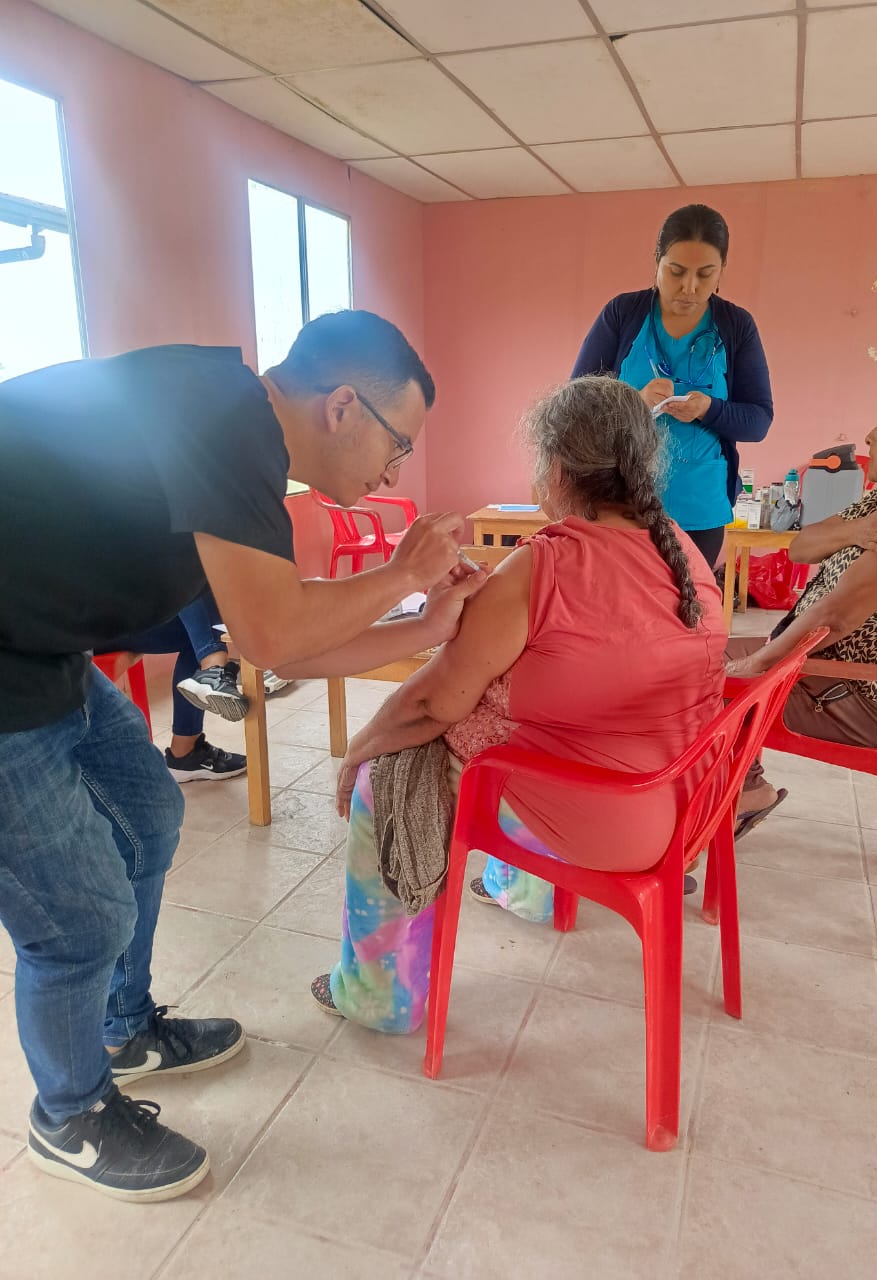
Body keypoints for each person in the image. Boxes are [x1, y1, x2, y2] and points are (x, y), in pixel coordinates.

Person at [0, 309, 486, 1201]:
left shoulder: (235, 428)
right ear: (343, 406)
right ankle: (68, 1116)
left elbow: (280, 634)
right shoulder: (226, 417)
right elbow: (274, 634)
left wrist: (425, 624)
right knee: (78, 918)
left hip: (39, 640)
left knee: (148, 813)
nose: (394, 471)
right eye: (398, 444)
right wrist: (405, 575)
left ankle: (122, 1028)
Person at [309, 376, 727, 1030]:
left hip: (599, 814)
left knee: (383, 780)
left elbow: (432, 704)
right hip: (680, 803)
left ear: (555, 468)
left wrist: (359, 749)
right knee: (530, 722)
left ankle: (376, 996)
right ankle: (525, 892)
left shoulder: (543, 566)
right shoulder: (684, 554)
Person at [727, 373, 877, 834]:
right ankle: (742, 787)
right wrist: (857, 529)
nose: (870, 436)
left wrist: (757, 665)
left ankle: (725, 801)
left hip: (857, 697)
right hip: (822, 672)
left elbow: (834, 618)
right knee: (692, 658)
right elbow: (801, 547)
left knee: (696, 685)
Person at [571, 204, 773, 569]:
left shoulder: (736, 326)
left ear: (722, 270)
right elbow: (575, 407)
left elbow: (758, 422)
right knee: (621, 600)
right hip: (621, 504)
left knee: (686, 602)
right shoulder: (623, 314)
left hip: (699, 509)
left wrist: (709, 409)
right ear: (657, 262)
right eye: (676, 271)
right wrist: (633, 401)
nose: (689, 288)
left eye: (705, 274)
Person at [98, 592, 250, 783]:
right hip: (85, 626)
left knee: (198, 628)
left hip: (111, 614)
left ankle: (185, 752)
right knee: (196, 595)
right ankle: (213, 669)